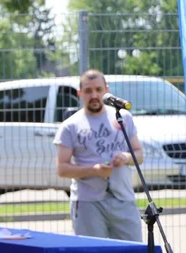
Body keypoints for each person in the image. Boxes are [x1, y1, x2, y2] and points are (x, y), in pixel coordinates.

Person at [54, 68, 144, 243]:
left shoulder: (122, 117)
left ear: (106, 90)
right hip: (89, 203)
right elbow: (62, 169)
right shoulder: (70, 126)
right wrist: (94, 170)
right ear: (80, 93)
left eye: (98, 90)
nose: (93, 95)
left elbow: (139, 155)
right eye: (88, 91)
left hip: (123, 198)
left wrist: (125, 158)